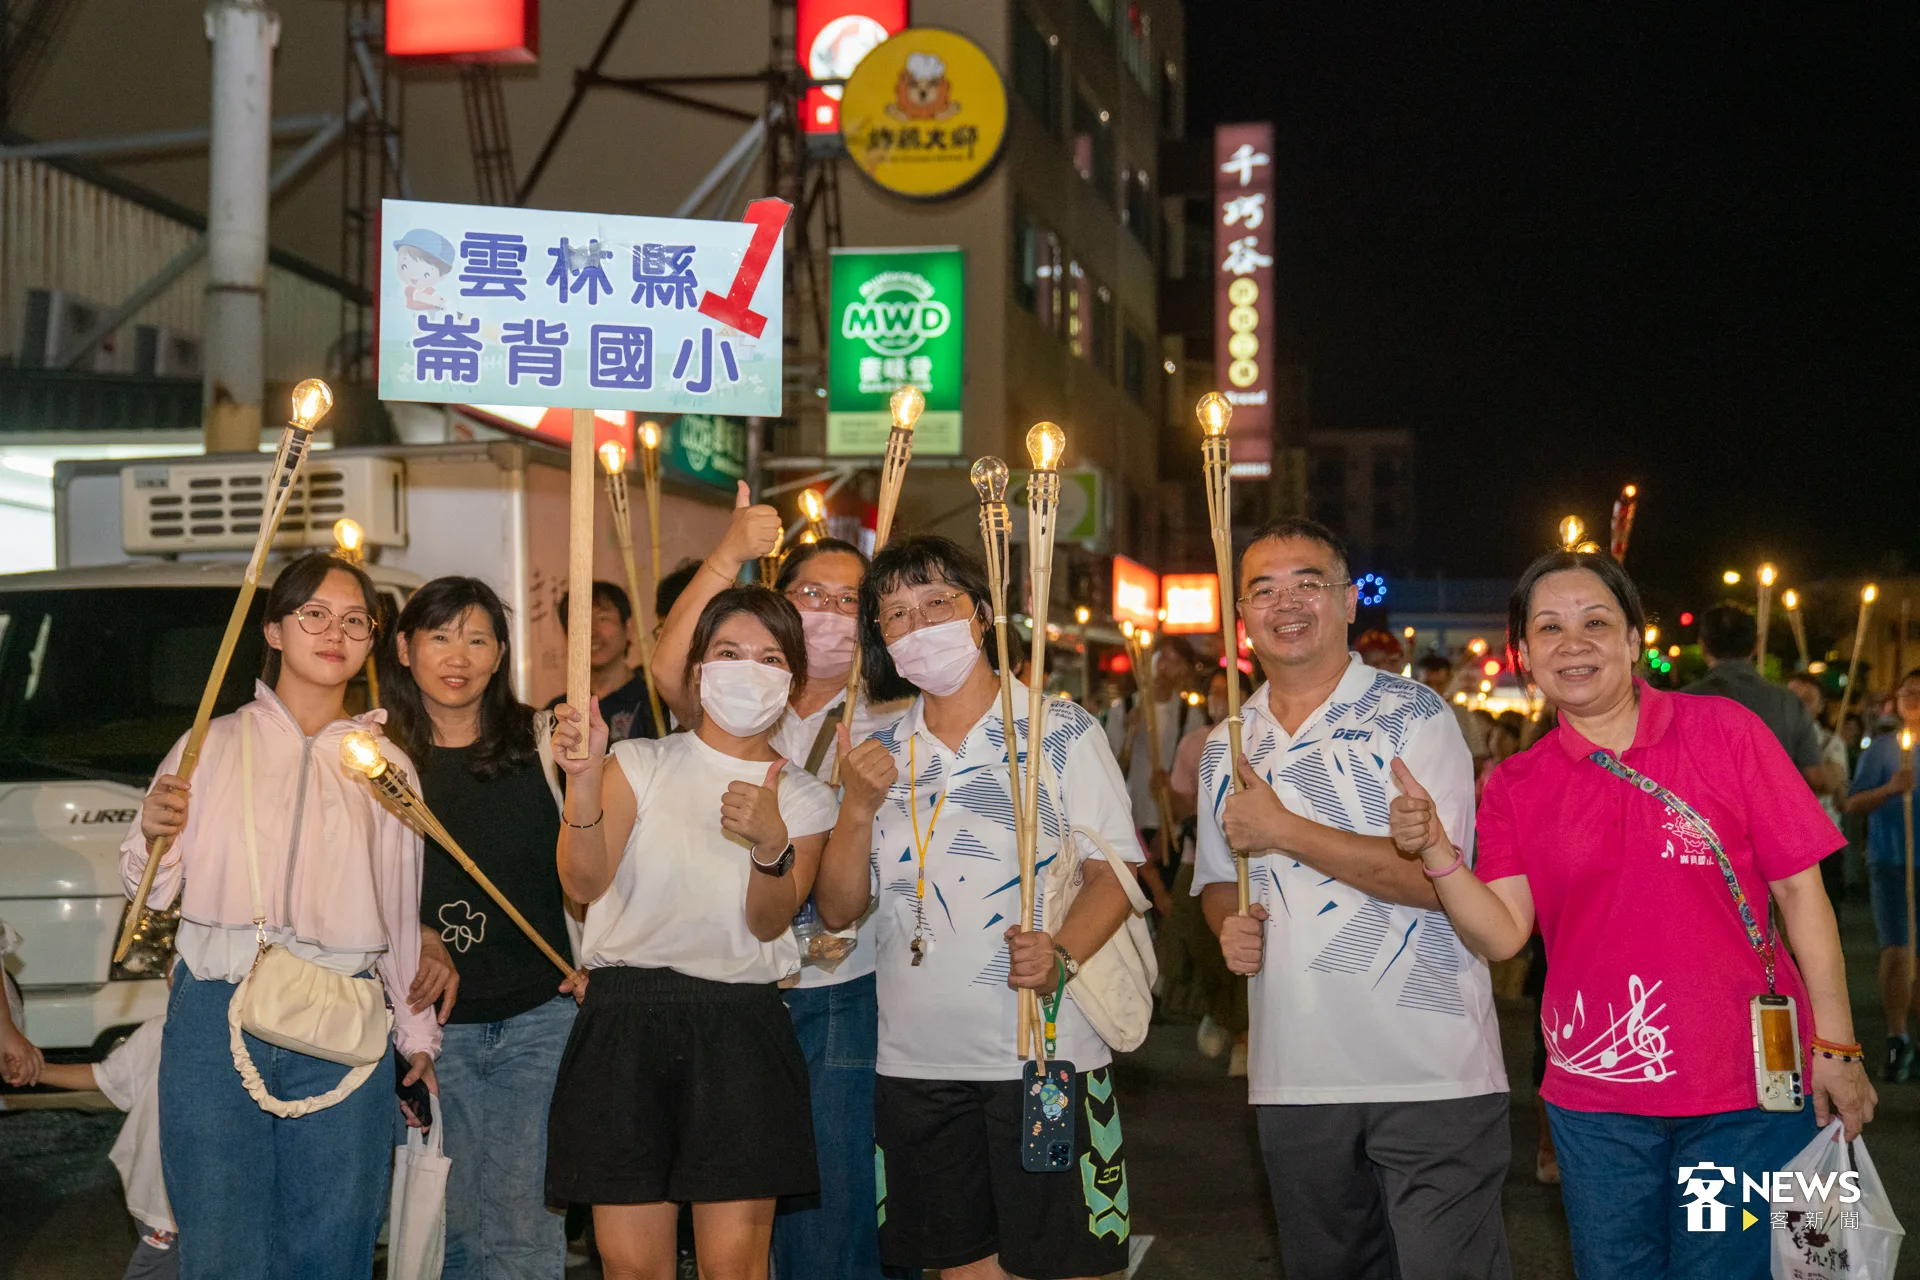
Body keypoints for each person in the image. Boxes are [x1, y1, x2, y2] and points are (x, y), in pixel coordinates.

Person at [1392, 550, 1874, 1280]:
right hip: (1599, 1102)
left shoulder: (1725, 732)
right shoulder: (1518, 784)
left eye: (1595, 622)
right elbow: (1502, 933)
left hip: (1743, 1096)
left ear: (1633, 639)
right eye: (1549, 628)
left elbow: (1802, 894)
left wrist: (1837, 1047)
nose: (1573, 643)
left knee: (1722, 1267)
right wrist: (1437, 852)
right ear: (1524, 655)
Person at [814, 535, 1143, 1280]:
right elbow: (837, 911)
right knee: (961, 1270)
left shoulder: (1060, 730)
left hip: (1044, 1060)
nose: (918, 625)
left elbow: (1116, 874)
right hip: (916, 1065)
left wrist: (1061, 954)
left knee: (1070, 1266)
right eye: (896, 614)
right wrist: (856, 808)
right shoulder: (879, 751)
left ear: (983, 614)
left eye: (938, 602)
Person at [1195, 517, 1510, 1279]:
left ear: (1347, 601)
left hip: (1432, 1071)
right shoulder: (1228, 742)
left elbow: (1440, 882)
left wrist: (1285, 829)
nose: (1286, 603)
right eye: (1263, 590)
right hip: (1294, 1073)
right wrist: (1228, 924)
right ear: (1242, 614)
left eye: (1308, 583)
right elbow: (1217, 879)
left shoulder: (1415, 716)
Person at [121, 552, 438, 1280]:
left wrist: (416, 1034)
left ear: (370, 641)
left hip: (343, 1015)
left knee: (333, 1247)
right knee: (221, 1248)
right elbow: (151, 892)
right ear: (273, 630)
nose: (335, 633)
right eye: (314, 614)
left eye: (355, 621)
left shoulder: (385, 766)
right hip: (217, 1006)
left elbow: (398, 910)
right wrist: (152, 832)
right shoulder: (209, 744)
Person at [547, 585, 838, 1280]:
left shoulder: (803, 795)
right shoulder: (638, 762)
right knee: (630, 1264)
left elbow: (768, 920)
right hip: (624, 1019)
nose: (748, 669)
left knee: (733, 1265)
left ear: (793, 681)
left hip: (739, 1027)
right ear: (699, 668)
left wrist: (771, 847)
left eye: (770, 657)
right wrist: (583, 782)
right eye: (729, 652)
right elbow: (583, 883)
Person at [649, 484, 898, 1280]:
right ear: (779, 602)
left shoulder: (895, 715)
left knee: (828, 1208)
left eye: (849, 601)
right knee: (739, 1219)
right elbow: (669, 664)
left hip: (833, 988)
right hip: (728, 988)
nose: (829, 614)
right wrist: (729, 551)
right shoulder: (739, 696)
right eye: (811, 595)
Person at [382, 577, 588, 1280]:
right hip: (432, 1030)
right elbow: (350, 884)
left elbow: (600, 863)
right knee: (451, 1228)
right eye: (439, 636)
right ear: (404, 648)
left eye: (477, 639)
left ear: (500, 654)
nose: (458, 656)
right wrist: (417, 931)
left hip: (542, 1015)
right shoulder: (374, 760)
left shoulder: (545, 742)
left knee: (528, 1224)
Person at [35, 1012, 176, 1279]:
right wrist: (37, 1070)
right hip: (160, 1200)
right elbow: (105, 1076)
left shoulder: (244, 1030)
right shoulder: (158, 1030)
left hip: (204, 1196)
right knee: (157, 1266)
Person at [1165, 665, 1248, 1070]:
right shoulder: (1195, 744)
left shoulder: (1260, 737)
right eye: (1213, 691)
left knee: (1246, 950)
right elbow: (1180, 804)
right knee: (1204, 945)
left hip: (1249, 863)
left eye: (1227, 689)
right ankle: (1219, 1012)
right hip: (1198, 858)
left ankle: (1245, 1032)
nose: (1220, 697)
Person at [1842, 668, 1920, 1081]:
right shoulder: (1883, 750)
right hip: (1891, 862)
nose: (1913, 698)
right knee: (1896, 949)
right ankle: (1897, 1036)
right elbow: (1853, 805)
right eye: (1908, 691)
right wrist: (1890, 789)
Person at [1683, 604, 1826, 788]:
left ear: (1702, 645)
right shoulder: (1789, 703)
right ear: (1757, 644)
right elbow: (1814, 777)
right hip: (1771, 805)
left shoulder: (1679, 705)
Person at [1108, 636, 1204, 868]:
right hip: (1130, 823)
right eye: (1162, 658)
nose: (1165, 667)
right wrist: (1130, 735)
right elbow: (1112, 772)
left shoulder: (1190, 716)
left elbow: (1195, 783)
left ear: (1185, 670)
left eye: (1176, 661)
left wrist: (1167, 830)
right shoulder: (1123, 709)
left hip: (1173, 827)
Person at [548, 581, 665, 745]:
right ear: (567, 638)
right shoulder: (558, 713)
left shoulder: (656, 703)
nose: (591, 632)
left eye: (603, 619)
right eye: (580, 622)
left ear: (628, 627)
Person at [1787, 671, 1852, 899]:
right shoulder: (1768, 736)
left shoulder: (1830, 742)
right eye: (1792, 699)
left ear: (1820, 706)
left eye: (1807, 700)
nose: (1799, 706)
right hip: (1784, 842)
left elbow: (1828, 783)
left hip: (1823, 844)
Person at [1417, 651, 1489, 761]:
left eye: (1439, 684)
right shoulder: (1406, 713)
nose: (1433, 690)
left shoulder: (1462, 715)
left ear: (1448, 681)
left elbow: (1477, 755)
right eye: (1428, 684)